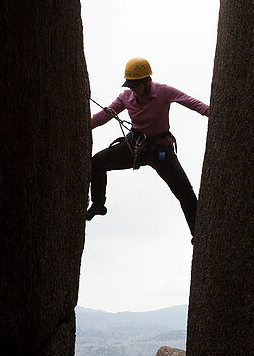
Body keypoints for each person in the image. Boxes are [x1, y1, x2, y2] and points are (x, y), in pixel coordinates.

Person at [87, 58, 209, 235]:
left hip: (161, 152)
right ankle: (98, 204)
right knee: (97, 162)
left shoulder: (163, 91)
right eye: (130, 86)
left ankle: (198, 235)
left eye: (136, 85)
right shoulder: (126, 97)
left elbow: (189, 101)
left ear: (147, 81)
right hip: (135, 148)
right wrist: (87, 123)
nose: (133, 90)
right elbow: (105, 115)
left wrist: (209, 112)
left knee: (185, 193)